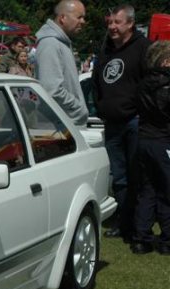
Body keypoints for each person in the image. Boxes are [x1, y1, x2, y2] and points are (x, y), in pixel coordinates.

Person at [92, 4, 150, 240]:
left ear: (130, 24)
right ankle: (123, 222)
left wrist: (140, 112)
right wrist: (101, 107)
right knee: (119, 177)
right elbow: (97, 82)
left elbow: (149, 85)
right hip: (112, 123)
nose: (112, 27)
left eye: (117, 22)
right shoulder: (106, 49)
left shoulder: (143, 48)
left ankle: (139, 224)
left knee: (138, 175)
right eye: (110, 22)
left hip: (135, 122)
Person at [130, 41, 170, 255]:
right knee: (166, 190)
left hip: (144, 139)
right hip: (163, 141)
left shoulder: (143, 83)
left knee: (147, 190)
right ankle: (167, 240)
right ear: (165, 61)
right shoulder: (166, 84)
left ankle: (141, 239)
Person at [34, 0, 88, 126]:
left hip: (65, 126)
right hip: (59, 128)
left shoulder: (60, 43)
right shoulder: (50, 44)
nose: (83, 22)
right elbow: (52, 90)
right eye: (79, 17)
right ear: (63, 18)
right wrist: (80, 110)